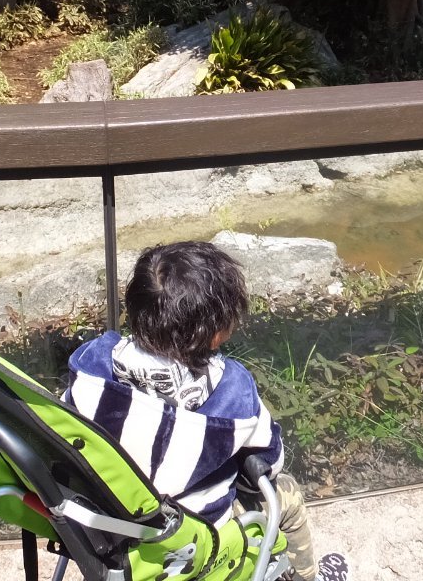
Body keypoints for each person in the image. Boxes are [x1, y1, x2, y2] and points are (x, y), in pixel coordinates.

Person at [66, 241, 348, 581]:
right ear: (216, 334)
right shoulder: (232, 390)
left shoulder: (91, 368)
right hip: (192, 538)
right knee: (285, 495)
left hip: (106, 531)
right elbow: (270, 462)